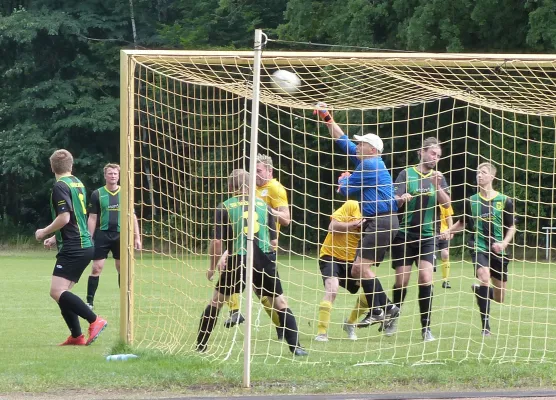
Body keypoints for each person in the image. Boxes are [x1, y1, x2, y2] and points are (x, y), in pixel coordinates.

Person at [196, 169, 307, 356]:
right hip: (264, 258)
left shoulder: (225, 207)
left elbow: (217, 242)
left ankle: (201, 345)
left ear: (231, 187)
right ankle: (296, 347)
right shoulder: (264, 206)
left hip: (238, 259)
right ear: (250, 186)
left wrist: (212, 267)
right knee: (280, 302)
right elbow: (274, 241)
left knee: (216, 301)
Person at [314, 103, 399, 331]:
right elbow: (342, 140)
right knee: (358, 270)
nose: (358, 145)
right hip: (381, 221)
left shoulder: (369, 165)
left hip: (381, 221)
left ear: (372, 149)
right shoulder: (368, 160)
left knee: (359, 269)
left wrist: (343, 178)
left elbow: (345, 190)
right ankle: (384, 308)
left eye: (361, 143)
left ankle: (380, 309)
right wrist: (327, 117)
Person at [35, 149, 108, 346]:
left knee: (57, 292)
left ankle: (95, 320)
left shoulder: (60, 185)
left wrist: (44, 232)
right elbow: (75, 218)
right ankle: (76, 336)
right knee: (64, 294)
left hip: (75, 246)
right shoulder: (78, 183)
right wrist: (55, 238)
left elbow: (65, 217)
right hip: (83, 243)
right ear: (71, 165)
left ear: (52, 167)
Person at [440, 162, 516, 336]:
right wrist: (448, 232)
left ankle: (481, 292)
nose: (479, 175)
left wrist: (504, 243)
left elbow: (512, 226)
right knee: (484, 277)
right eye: (477, 173)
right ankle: (485, 327)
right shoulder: (471, 201)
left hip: (499, 251)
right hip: (478, 246)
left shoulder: (504, 200)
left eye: (483, 173)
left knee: (500, 297)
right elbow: (463, 222)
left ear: (492, 177)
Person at [388, 137, 451, 342]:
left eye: (438, 156)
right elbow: (394, 202)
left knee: (425, 278)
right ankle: (393, 317)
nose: (435, 158)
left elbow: (447, 203)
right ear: (421, 152)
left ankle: (426, 329)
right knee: (401, 281)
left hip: (427, 236)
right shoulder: (406, 174)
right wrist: (401, 198)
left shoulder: (439, 177)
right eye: (433, 153)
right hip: (404, 235)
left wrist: (438, 186)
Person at [223, 154, 291, 341]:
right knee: (259, 291)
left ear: (270, 171)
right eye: (253, 171)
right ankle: (237, 312)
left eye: (259, 171)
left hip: (265, 245)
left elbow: (286, 219)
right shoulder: (251, 188)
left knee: (266, 294)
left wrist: (266, 210)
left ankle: (282, 326)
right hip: (245, 243)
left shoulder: (275, 189)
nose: (255, 175)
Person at [315, 200, 399, 342]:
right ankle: (321, 333)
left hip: (352, 262)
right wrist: (353, 225)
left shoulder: (377, 217)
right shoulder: (353, 205)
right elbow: (332, 226)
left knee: (369, 291)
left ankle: (350, 323)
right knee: (332, 289)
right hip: (331, 256)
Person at [85, 163, 142, 310]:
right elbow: (92, 218)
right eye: (110, 173)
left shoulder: (126, 193)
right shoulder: (97, 194)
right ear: (105, 175)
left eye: (115, 173)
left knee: (121, 268)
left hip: (121, 236)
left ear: (119, 176)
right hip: (103, 235)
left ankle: (125, 300)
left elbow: (133, 217)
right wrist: (88, 237)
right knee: (97, 267)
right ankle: (89, 302)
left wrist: (137, 237)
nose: (113, 176)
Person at [437, 204, 454, 289]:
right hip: (431, 232)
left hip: (444, 232)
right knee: (430, 257)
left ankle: (445, 280)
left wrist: (450, 230)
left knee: (445, 254)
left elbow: (449, 217)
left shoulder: (445, 203)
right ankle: (429, 281)